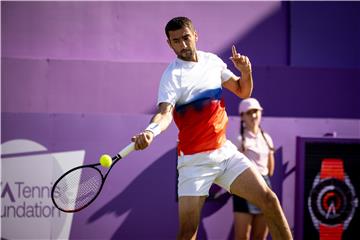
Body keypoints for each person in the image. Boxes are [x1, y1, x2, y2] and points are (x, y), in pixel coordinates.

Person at [132, 16, 292, 240]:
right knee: (188, 231)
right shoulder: (171, 77)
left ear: (195, 35)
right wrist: (151, 131)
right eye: (176, 41)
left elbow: (242, 91)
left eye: (186, 38)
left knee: (270, 200)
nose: (183, 45)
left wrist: (246, 72)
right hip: (194, 162)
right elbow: (165, 113)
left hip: (224, 153)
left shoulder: (213, 62)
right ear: (169, 44)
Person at [233, 98, 275, 240]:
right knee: (242, 237)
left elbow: (270, 170)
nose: (254, 116)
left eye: (256, 112)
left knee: (259, 237)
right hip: (244, 189)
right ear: (242, 116)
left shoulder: (267, 138)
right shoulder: (238, 139)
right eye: (249, 113)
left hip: (265, 188)